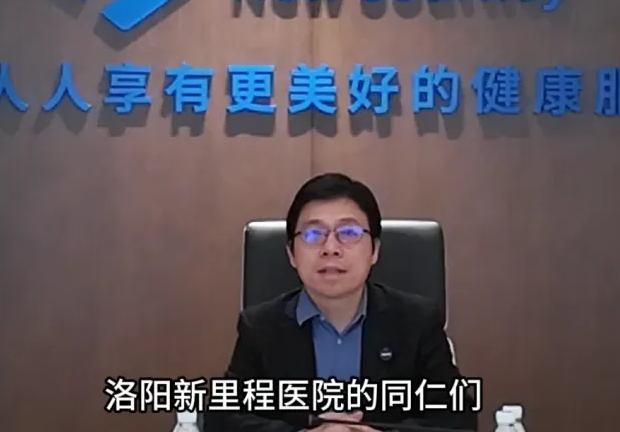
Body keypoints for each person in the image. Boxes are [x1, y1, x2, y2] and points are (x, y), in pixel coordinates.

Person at [204, 173, 477, 432]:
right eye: (313, 235)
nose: (331, 248)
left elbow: (459, 417)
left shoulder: (417, 321)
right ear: (291, 254)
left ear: (374, 250)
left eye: (349, 232)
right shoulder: (260, 327)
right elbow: (221, 417)